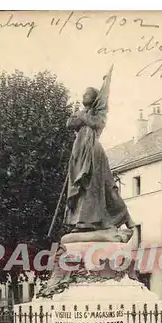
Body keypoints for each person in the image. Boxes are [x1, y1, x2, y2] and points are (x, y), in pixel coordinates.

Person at [64, 65, 135, 233]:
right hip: (79, 151)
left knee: (98, 185)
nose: (83, 96)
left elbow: (97, 123)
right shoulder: (83, 113)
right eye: (83, 94)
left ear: (95, 97)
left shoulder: (98, 113)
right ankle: (81, 221)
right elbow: (69, 123)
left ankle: (120, 217)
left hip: (93, 150)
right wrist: (83, 115)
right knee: (81, 187)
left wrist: (83, 116)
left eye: (87, 94)